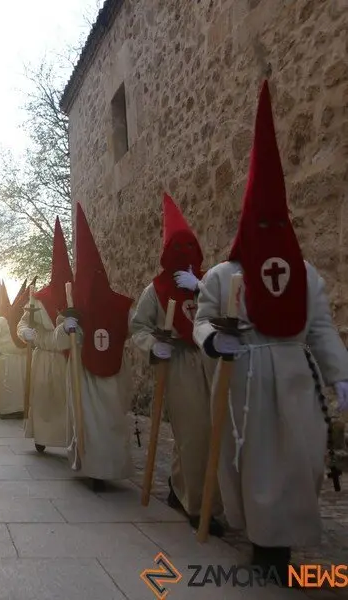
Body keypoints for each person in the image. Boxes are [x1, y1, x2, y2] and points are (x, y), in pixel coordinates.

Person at [193, 81, 348, 581]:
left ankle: (282, 542)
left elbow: (321, 328)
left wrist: (339, 377)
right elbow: (202, 321)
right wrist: (216, 340)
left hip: (296, 376)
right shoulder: (220, 276)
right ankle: (266, 547)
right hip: (246, 380)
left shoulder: (304, 275)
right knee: (254, 464)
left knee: (300, 461)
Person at [129, 193, 223, 536]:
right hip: (181, 362)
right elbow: (138, 326)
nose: (185, 256)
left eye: (189, 248)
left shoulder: (210, 280)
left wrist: (200, 288)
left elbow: (228, 309)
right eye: (178, 249)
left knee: (218, 433)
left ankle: (189, 491)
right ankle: (199, 506)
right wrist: (155, 345)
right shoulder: (154, 291)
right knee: (194, 434)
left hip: (212, 361)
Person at [55, 204, 134, 491]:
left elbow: (132, 329)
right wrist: (68, 326)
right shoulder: (73, 308)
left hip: (112, 374)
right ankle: (92, 467)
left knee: (111, 421)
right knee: (89, 420)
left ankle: (109, 467)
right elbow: (57, 339)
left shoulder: (119, 306)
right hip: (83, 374)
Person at [19, 217, 72, 454]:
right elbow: (22, 322)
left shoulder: (76, 296)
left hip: (69, 358)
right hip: (44, 357)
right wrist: (25, 333)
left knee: (67, 401)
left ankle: (71, 439)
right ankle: (41, 436)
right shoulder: (39, 299)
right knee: (43, 400)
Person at [0, 282, 27, 417]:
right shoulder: (2, 320)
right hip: (6, 359)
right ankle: (7, 410)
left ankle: (22, 409)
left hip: (23, 360)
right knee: (8, 387)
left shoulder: (25, 322)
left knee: (21, 388)